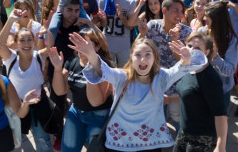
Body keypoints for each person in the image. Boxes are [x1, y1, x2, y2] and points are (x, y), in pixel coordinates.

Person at [78, 35, 206, 151]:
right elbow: (104, 70)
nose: (143, 59)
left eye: (148, 54)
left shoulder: (161, 77)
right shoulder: (122, 77)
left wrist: (186, 59)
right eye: (138, 55)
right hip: (119, 145)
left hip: (150, 145)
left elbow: (182, 68)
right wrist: (92, 55)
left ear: (154, 57)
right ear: (131, 57)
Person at [0, 13, 54, 151]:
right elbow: (0, 43)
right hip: (15, 105)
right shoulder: (10, 58)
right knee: (13, 142)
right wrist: (10, 20)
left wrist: (47, 31)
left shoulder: (38, 56)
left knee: (43, 141)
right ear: (16, 43)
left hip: (38, 107)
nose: (26, 44)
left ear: (34, 42)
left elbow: (51, 46)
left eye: (29, 40)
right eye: (22, 40)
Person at [174, 32, 229, 152]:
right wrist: (168, 99)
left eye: (197, 48)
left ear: (207, 52)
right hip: (184, 132)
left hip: (203, 139)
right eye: (189, 46)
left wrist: (220, 146)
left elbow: (221, 115)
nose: (191, 50)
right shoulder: (187, 68)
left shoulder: (210, 78)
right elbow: (191, 94)